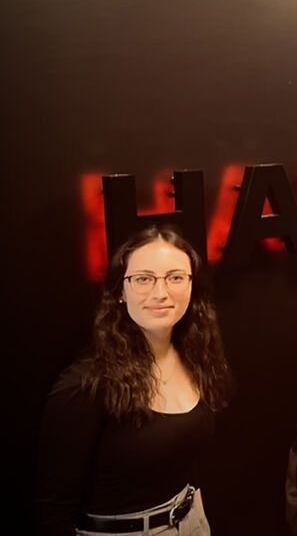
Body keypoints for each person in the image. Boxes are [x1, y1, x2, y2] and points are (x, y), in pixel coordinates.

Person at [35, 224, 233, 535]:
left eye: (175, 277)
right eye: (143, 279)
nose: (161, 292)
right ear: (119, 293)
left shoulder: (197, 357)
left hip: (191, 520)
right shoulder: (85, 385)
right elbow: (52, 512)